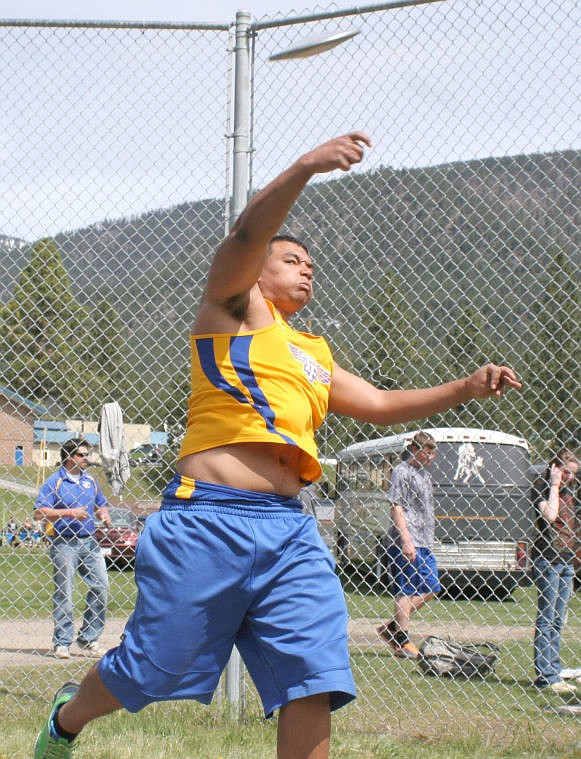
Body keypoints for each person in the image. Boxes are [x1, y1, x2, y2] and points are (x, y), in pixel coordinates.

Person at [34, 132, 522, 759]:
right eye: (289, 258)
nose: (305, 266)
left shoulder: (312, 353)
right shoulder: (227, 314)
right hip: (206, 518)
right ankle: (68, 718)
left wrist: (463, 387)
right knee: (153, 668)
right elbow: (243, 238)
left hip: (290, 529)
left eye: (309, 263)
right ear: (258, 271)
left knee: (314, 676)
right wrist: (306, 168)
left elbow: (376, 402)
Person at [34, 437, 111, 660]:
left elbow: (100, 503)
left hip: (89, 541)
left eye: (87, 454)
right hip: (64, 542)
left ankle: (89, 639)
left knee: (101, 587)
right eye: (82, 455)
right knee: (65, 592)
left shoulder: (91, 481)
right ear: (69, 458)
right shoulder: (54, 482)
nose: (87, 458)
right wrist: (68, 513)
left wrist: (103, 514)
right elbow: (39, 513)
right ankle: (62, 642)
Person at [377, 431, 439, 659]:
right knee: (407, 589)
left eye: (434, 453)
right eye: (428, 452)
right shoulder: (401, 472)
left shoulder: (423, 474)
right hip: (407, 539)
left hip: (424, 540)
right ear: (415, 449)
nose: (431, 457)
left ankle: (393, 626)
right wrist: (406, 539)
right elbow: (397, 506)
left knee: (432, 587)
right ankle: (403, 640)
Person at [531, 448, 579, 694]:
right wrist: (554, 484)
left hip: (566, 561)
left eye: (574, 474)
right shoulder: (541, 487)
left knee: (558, 619)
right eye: (567, 473)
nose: (571, 478)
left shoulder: (572, 492)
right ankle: (545, 675)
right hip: (547, 560)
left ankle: (554, 668)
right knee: (547, 617)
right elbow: (550, 515)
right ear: (555, 467)